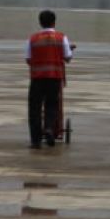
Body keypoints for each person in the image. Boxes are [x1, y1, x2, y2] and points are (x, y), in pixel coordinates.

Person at [26, 9, 73, 148]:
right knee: (52, 105)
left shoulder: (33, 39)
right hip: (54, 78)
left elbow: (28, 59)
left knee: (34, 108)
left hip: (37, 78)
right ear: (54, 22)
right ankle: (49, 129)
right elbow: (68, 57)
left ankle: (35, 141)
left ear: (40, 22)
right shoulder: (61, 37)